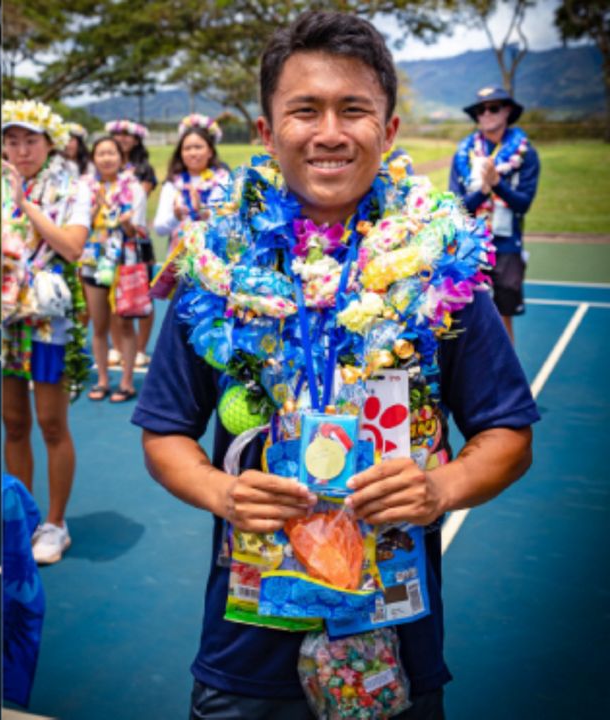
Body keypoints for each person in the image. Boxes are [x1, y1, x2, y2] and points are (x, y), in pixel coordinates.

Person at [132, 12, 538, 718]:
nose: (329, 132)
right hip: (244, 652)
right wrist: (220, 494)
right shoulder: (215, 270)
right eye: (304, 110)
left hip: (395, 647)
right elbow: (165, 432)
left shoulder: (444, 269)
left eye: (354, 110)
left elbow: (508, 436)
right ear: (265, 132)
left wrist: (440, 489)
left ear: (388, 130)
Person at [2, 100, 93, 566]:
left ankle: (55, 524)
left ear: (49, 143)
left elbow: (72, 248)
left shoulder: (74, 187)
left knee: (51, 423)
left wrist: (24, 205)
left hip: (49, 322)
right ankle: (22, 516)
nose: (21, 150)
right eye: (12, 140)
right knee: (13, 423)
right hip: (6, 320)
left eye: (30, 140)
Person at [450, 86, 540, 343]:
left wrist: (498, 184)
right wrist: (483, 191)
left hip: (506, 244)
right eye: (481, 109)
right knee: (463, 319)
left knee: (503, 318)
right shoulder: (462, 154)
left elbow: (523, 204)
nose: (486, 113)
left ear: (508, 111)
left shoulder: (526, 153)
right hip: (468, 243)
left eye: (494, 107)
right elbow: (456, 207)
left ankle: (505, 380)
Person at [78, 135, 147, 404]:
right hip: (94, 261)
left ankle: (127, 382)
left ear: (121, 157)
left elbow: (138, 230)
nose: (106, 158)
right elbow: (78, 225)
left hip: (124, 262)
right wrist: (93, 208)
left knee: (125, 324)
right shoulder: (86, 188)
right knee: (98, 325)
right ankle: (103, 380)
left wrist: (128, 224)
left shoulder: (134, 188)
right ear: (94, 158)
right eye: (101, 153)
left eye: (111, 153)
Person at [106, 119, 158, 369]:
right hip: (109, 241)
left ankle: (139, 349)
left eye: (128, 135)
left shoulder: (143, 169)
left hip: (137, 240)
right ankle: (117, 347)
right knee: (114, 295)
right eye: (118, 134)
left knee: (142, 294)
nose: (123, 138)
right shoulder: (104, 168)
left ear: (137, 139)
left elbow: (137, 203)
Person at [153, 114, 233, 254]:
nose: (193, 153)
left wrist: (202, 212)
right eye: (187, 148)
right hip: (178, 263)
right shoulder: (172, 184)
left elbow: (231, 225)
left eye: (198, 147)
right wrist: (175, 217)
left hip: (214, 260)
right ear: (181, 153)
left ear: (210, 151)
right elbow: (159, 229)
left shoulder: (223, 180)